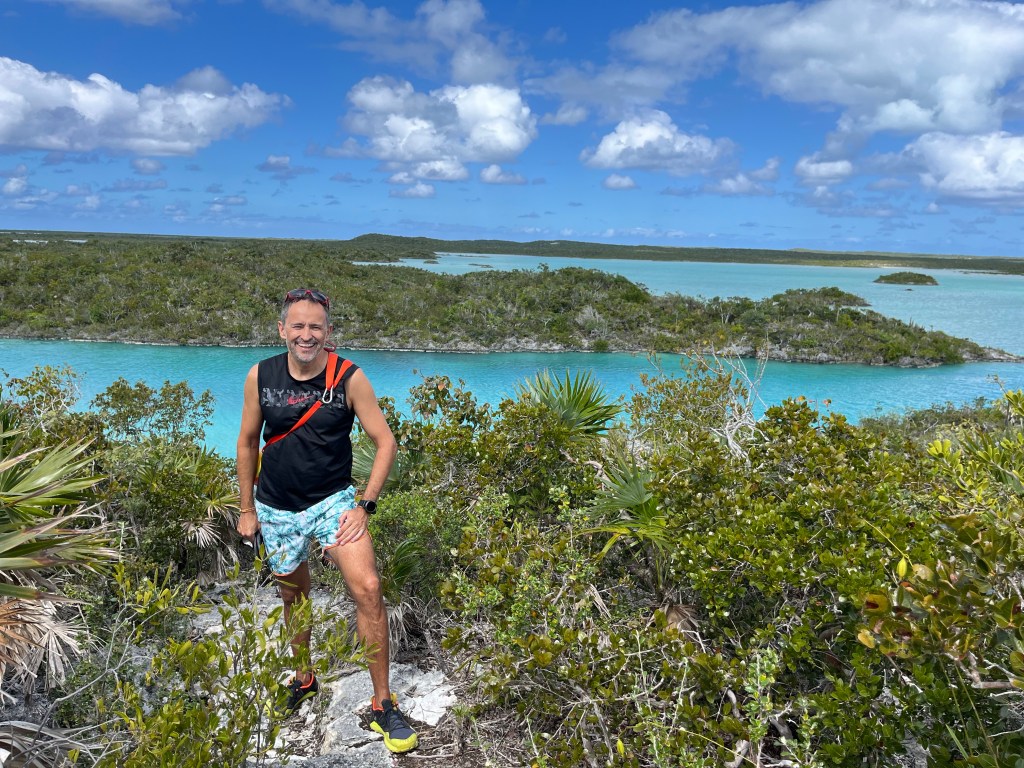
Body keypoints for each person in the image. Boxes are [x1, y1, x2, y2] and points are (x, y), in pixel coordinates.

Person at [236, 288, 417, 754]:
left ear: (328, 331)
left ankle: (382, 704)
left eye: (315, 327)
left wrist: (365, 504)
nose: (306, 334)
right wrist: (247, 510)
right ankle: (304, 678)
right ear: (282, 329)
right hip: (275, 507)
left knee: (369, 589)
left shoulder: (349, 378)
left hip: (332, 502)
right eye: (297, 325)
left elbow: (385, 442)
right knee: (293, 596)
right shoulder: (261, 375)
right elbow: (248, 442)